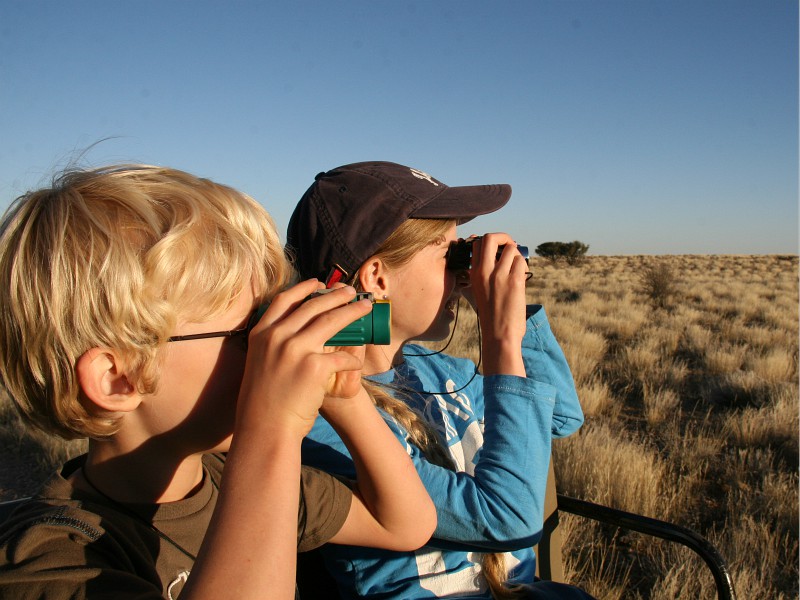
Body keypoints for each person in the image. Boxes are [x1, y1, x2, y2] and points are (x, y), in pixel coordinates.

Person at [0, 164, 437, 600]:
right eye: (250, 333)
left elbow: (405, 524)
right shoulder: (53, 562)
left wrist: (345, 397)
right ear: (119, 379)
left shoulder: (232, 476)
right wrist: (273, 427)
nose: (272, 347)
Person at [287, 161, 591, 599]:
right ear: (378, 277)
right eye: (448, 255)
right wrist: (501, 338)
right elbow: (507, 519)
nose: (463, 271)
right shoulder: (327, 419)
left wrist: (513, 319)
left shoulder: (444, 373)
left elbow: (561, 417)